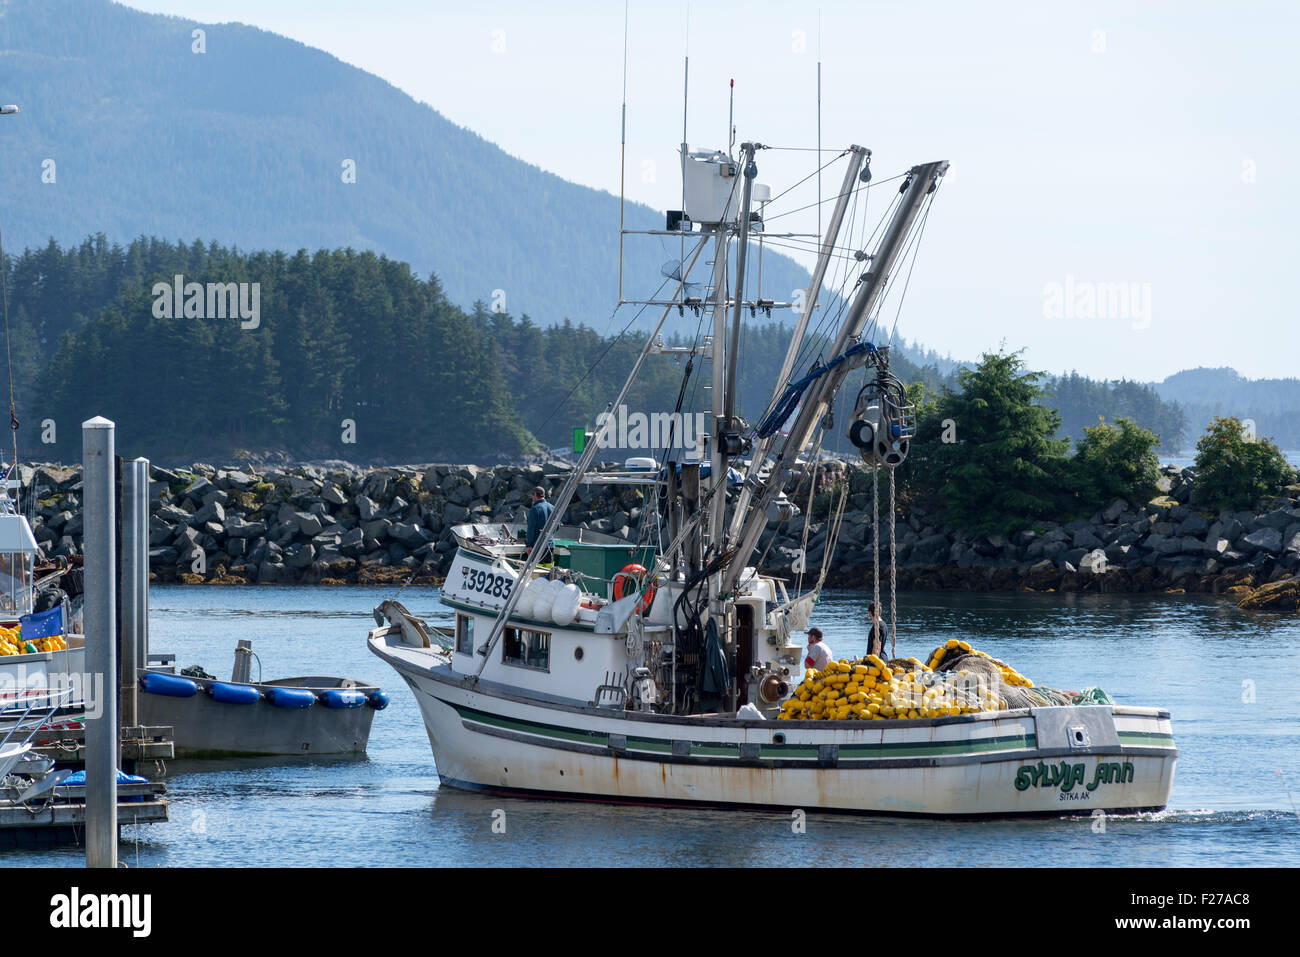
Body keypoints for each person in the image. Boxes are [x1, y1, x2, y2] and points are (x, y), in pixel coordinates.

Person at [525, 486, 554, 560]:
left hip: (537, 545)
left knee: (535, 570)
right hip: (550, 545)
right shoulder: (552, 507)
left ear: (535, 494)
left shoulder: (535, 509)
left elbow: (531, 529)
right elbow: (557, 526)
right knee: (548, 569)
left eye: (532, 495)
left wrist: (529, 545)